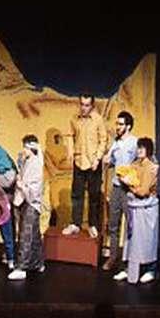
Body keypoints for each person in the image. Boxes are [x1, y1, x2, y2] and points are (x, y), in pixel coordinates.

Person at [113, 137, 159, 283]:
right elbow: (124, 174)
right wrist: (125, 180)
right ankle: (129, 269)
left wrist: (130, 185)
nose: (139, 150)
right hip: (134, 206)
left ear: (148, 150)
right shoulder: (135, 164)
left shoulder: (151, 167)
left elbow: (143, 191)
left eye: (142, 148)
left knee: (145, 240)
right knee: (131, 240)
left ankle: (150, 269)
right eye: (138, 148)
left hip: (146, 207)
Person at [62, 94, 107, 239]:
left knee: (94, 195)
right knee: (77, 194)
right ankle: (76, 223)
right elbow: (69, 135)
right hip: (79, 160)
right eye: (82, 104)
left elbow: (103, 139)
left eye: (87, 105)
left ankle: (93, 225)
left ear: (92, 106)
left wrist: (98, 158)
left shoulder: (98, 119)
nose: (84, 108)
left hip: (93, 162)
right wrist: (70, 153)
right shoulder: (74, 118)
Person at [102, 111, 138, 271]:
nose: (117, 127)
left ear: (128, 126)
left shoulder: (134, 143)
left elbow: (142, 162)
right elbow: (113, 163)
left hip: (129, 189)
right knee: (113, 225)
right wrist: (108, 161)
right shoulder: (115, 143)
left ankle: (131, 259)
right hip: (116, 188)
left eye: (120, 124)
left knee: (131, 225)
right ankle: (113, 257)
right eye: (117, 124)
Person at [8, 134, 45, 280]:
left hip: (31, 201)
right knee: (34, 234)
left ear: (31, 147)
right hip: (23, 199)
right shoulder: (26, 160)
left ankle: (22, 267)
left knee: (26, 234)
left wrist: (21, 185)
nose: (23, 150)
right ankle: (37, 263)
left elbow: (34, 186)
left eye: (25, 147)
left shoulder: (36, 163)